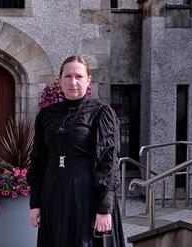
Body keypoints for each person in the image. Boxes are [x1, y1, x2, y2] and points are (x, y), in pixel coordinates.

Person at [27, 55, 126, 247]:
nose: (73, 82)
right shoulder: (46, 115)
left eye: (79, 76)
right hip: (53, 191)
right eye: (68, 76)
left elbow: (109, 161)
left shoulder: (101, 113)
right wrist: (35, 204)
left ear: (88, 79)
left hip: (86, 193)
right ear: (60, 79)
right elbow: (38, 160)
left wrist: (105, 207)